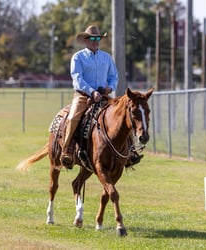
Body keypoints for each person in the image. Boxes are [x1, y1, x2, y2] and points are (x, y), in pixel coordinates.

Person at [60, 25, 143, 169]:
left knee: (123, 116)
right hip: (83, 96)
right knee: (73, 117)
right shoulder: (78, 57)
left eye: (97, 38)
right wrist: (92, 91)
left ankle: (131, 152)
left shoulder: (106, 57)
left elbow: (114, 77)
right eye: (92, 38)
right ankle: (67, 150)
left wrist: (110, 88)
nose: (95, 41)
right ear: (86, 40)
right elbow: (77, 79)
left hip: (105, 96)